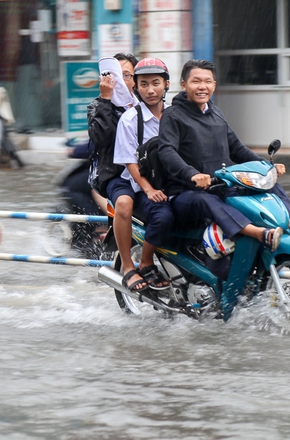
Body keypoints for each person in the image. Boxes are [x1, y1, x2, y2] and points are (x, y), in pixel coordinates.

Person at [157, 59, 290, 250]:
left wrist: (266, 168)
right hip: (187, 193)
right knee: (205, 199)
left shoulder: (216, 113)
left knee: (270, 183)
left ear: (214, 85)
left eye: (208, 81)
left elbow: (237, 148)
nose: (202, 87)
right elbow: (166, 151)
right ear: (184, 84)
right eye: (196, 81)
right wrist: (192, 174)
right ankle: (259, 233)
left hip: (222, 186)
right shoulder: (173, 115)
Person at [112, 58, 173, 292]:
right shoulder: (130, 120)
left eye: (156, 83)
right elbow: (129, 161)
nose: (150, 90)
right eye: (144, 84)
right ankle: (141, 263)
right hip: (140, 187)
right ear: (135, 87)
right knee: (162, 215)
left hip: (171, 182)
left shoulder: (175, 115)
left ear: (166, 84)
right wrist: (148, 189)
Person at [87, 53, 146, 290]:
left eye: (127, 75)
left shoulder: (148, 103)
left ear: (135, 80)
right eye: (115, 75)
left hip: (149, 173)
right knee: (124, 204)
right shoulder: (98, 106)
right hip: (115, 175)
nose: (121, 80)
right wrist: (106, 100)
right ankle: (129, 267)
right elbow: (101, 139)